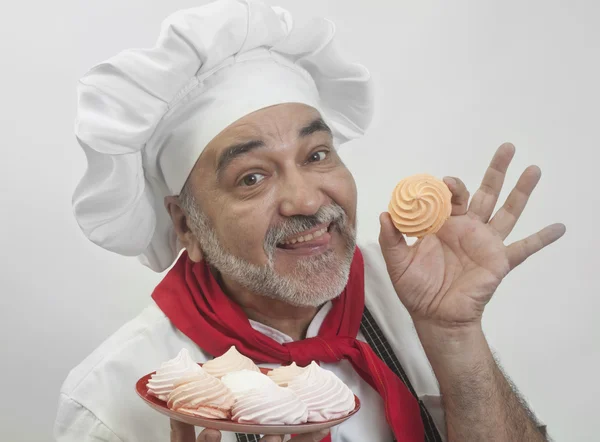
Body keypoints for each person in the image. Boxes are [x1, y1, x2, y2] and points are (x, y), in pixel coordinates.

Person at [55, 1, 565, 441]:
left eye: (317, 155)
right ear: (186, 226)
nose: (304, 199)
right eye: (252, 178)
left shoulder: (413, 293)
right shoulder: (110, 401)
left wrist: (455, 335)